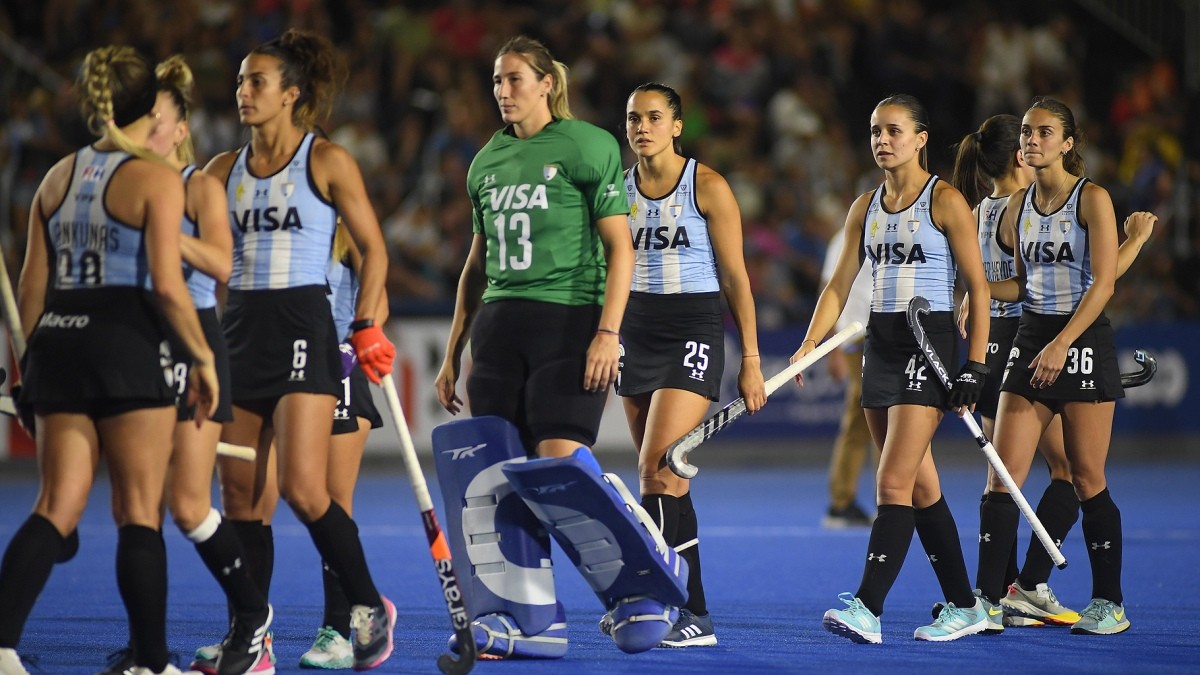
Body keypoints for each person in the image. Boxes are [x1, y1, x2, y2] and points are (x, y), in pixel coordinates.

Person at [437, 36, 688, 659]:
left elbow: (620, 249)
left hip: (570, 320)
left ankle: (643, 584)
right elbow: (476, 265)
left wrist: (608, 332)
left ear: (547, 83)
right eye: (497, 81)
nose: (503, 91)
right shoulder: (484, 162)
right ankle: (534, 620)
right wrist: (453, 350)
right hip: (499, 329)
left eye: (514, 79)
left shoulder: (588, 145)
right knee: (502, 476)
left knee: (558, 462)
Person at [0, 46, 218, 675]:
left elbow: (30, 289)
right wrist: (202, 359)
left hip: (57, 347)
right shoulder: (156, 178)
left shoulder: (57, 177)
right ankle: (151, 662)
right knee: (138, 512)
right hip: (127, 347)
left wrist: (28, 373)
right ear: (148, 106)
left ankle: (2, 645)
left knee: (56, 505)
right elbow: (169, 288)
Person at [194, 29, 397, 671]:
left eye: (256, 81)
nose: (243, 91)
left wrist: (365, 323)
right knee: (240, 498)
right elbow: (195, 260)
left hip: (304, 327)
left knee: (306, 491)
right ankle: (250, 637)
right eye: (240, 80)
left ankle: (366, 606)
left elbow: (375, 251)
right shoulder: (219, 172)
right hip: (238, 332)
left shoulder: (326, 161)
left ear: (290, 93)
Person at [794, 94, 994, 644]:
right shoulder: (865, 206)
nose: (882, 140)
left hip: (927, 344)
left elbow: (977, 289)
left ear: (920, 138)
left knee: (891, 480)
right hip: (880, 344)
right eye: (875, 131)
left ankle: (868, 607)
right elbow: (839, 284)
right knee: (921, 485)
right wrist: (811, 342)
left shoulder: (946, 201)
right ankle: (965, 606)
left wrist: (975, 365)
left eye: (894, 130)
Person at [950, 114, 1157, 631]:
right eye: (1026, 131)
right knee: (1003, 476)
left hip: (1080, 342)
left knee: (1086, 478)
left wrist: (1063, 344)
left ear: (1067, 143)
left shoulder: (1093, 198)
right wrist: (979, 294)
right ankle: (988, 602)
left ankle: (1109, 603)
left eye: (1044, 132)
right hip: (1031, 339)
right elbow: (1023, 285)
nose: (1032, 139)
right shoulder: (1017, 206)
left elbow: (1103, 283)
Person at [618, 82, 766, 647]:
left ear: (677, 126)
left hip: (692, 329)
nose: (642, 127)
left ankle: (657, 603)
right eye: (634, 118)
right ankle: (694, 612)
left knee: (655, 469)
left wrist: (750, 358)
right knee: (669, 483)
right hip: (636, 331)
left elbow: (736, 278)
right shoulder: (617, 190)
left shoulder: (707, 185)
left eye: (654, 117)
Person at [297, 221, 386, 669]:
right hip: (284, 367)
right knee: (267, 497)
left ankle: (336, 630)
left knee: (332, 502)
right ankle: (248, 630)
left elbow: (378, 295)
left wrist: (357, 342)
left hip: (337, 368)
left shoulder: (342, 225)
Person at [819, 225, 876, 529]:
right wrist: (833, 349)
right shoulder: (843, 237)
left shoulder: (894, 229)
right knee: (875, 415)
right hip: (855, 339)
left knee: (869, 418)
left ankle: (846, 502)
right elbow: (830, 287)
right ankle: (883, 500)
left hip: (886, 335)